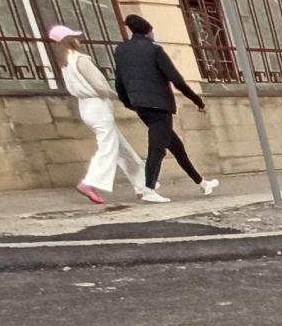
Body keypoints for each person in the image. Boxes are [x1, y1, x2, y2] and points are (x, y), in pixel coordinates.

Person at [112, 13, 217, 203]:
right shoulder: (155, 50)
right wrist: (197, 101)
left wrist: (130, 103)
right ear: (148, 32)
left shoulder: (121, 51)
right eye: (152, 31)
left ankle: (202, 183)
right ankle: (148, 189)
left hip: (140, 106)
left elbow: (119, 82)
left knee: (176, 147)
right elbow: (177, 80)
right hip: (159, 106)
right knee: (157, 148)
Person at [49, 24, 147, 207]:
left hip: (85, 106)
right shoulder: (81, 60)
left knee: (121, 149)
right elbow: (100, 86)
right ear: (69, 40)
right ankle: (90, 183)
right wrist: (118, 97)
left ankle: (143, 185)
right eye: (74, 37)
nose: (78, 39)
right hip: (97, 106)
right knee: (108, 147)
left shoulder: (65, 62)